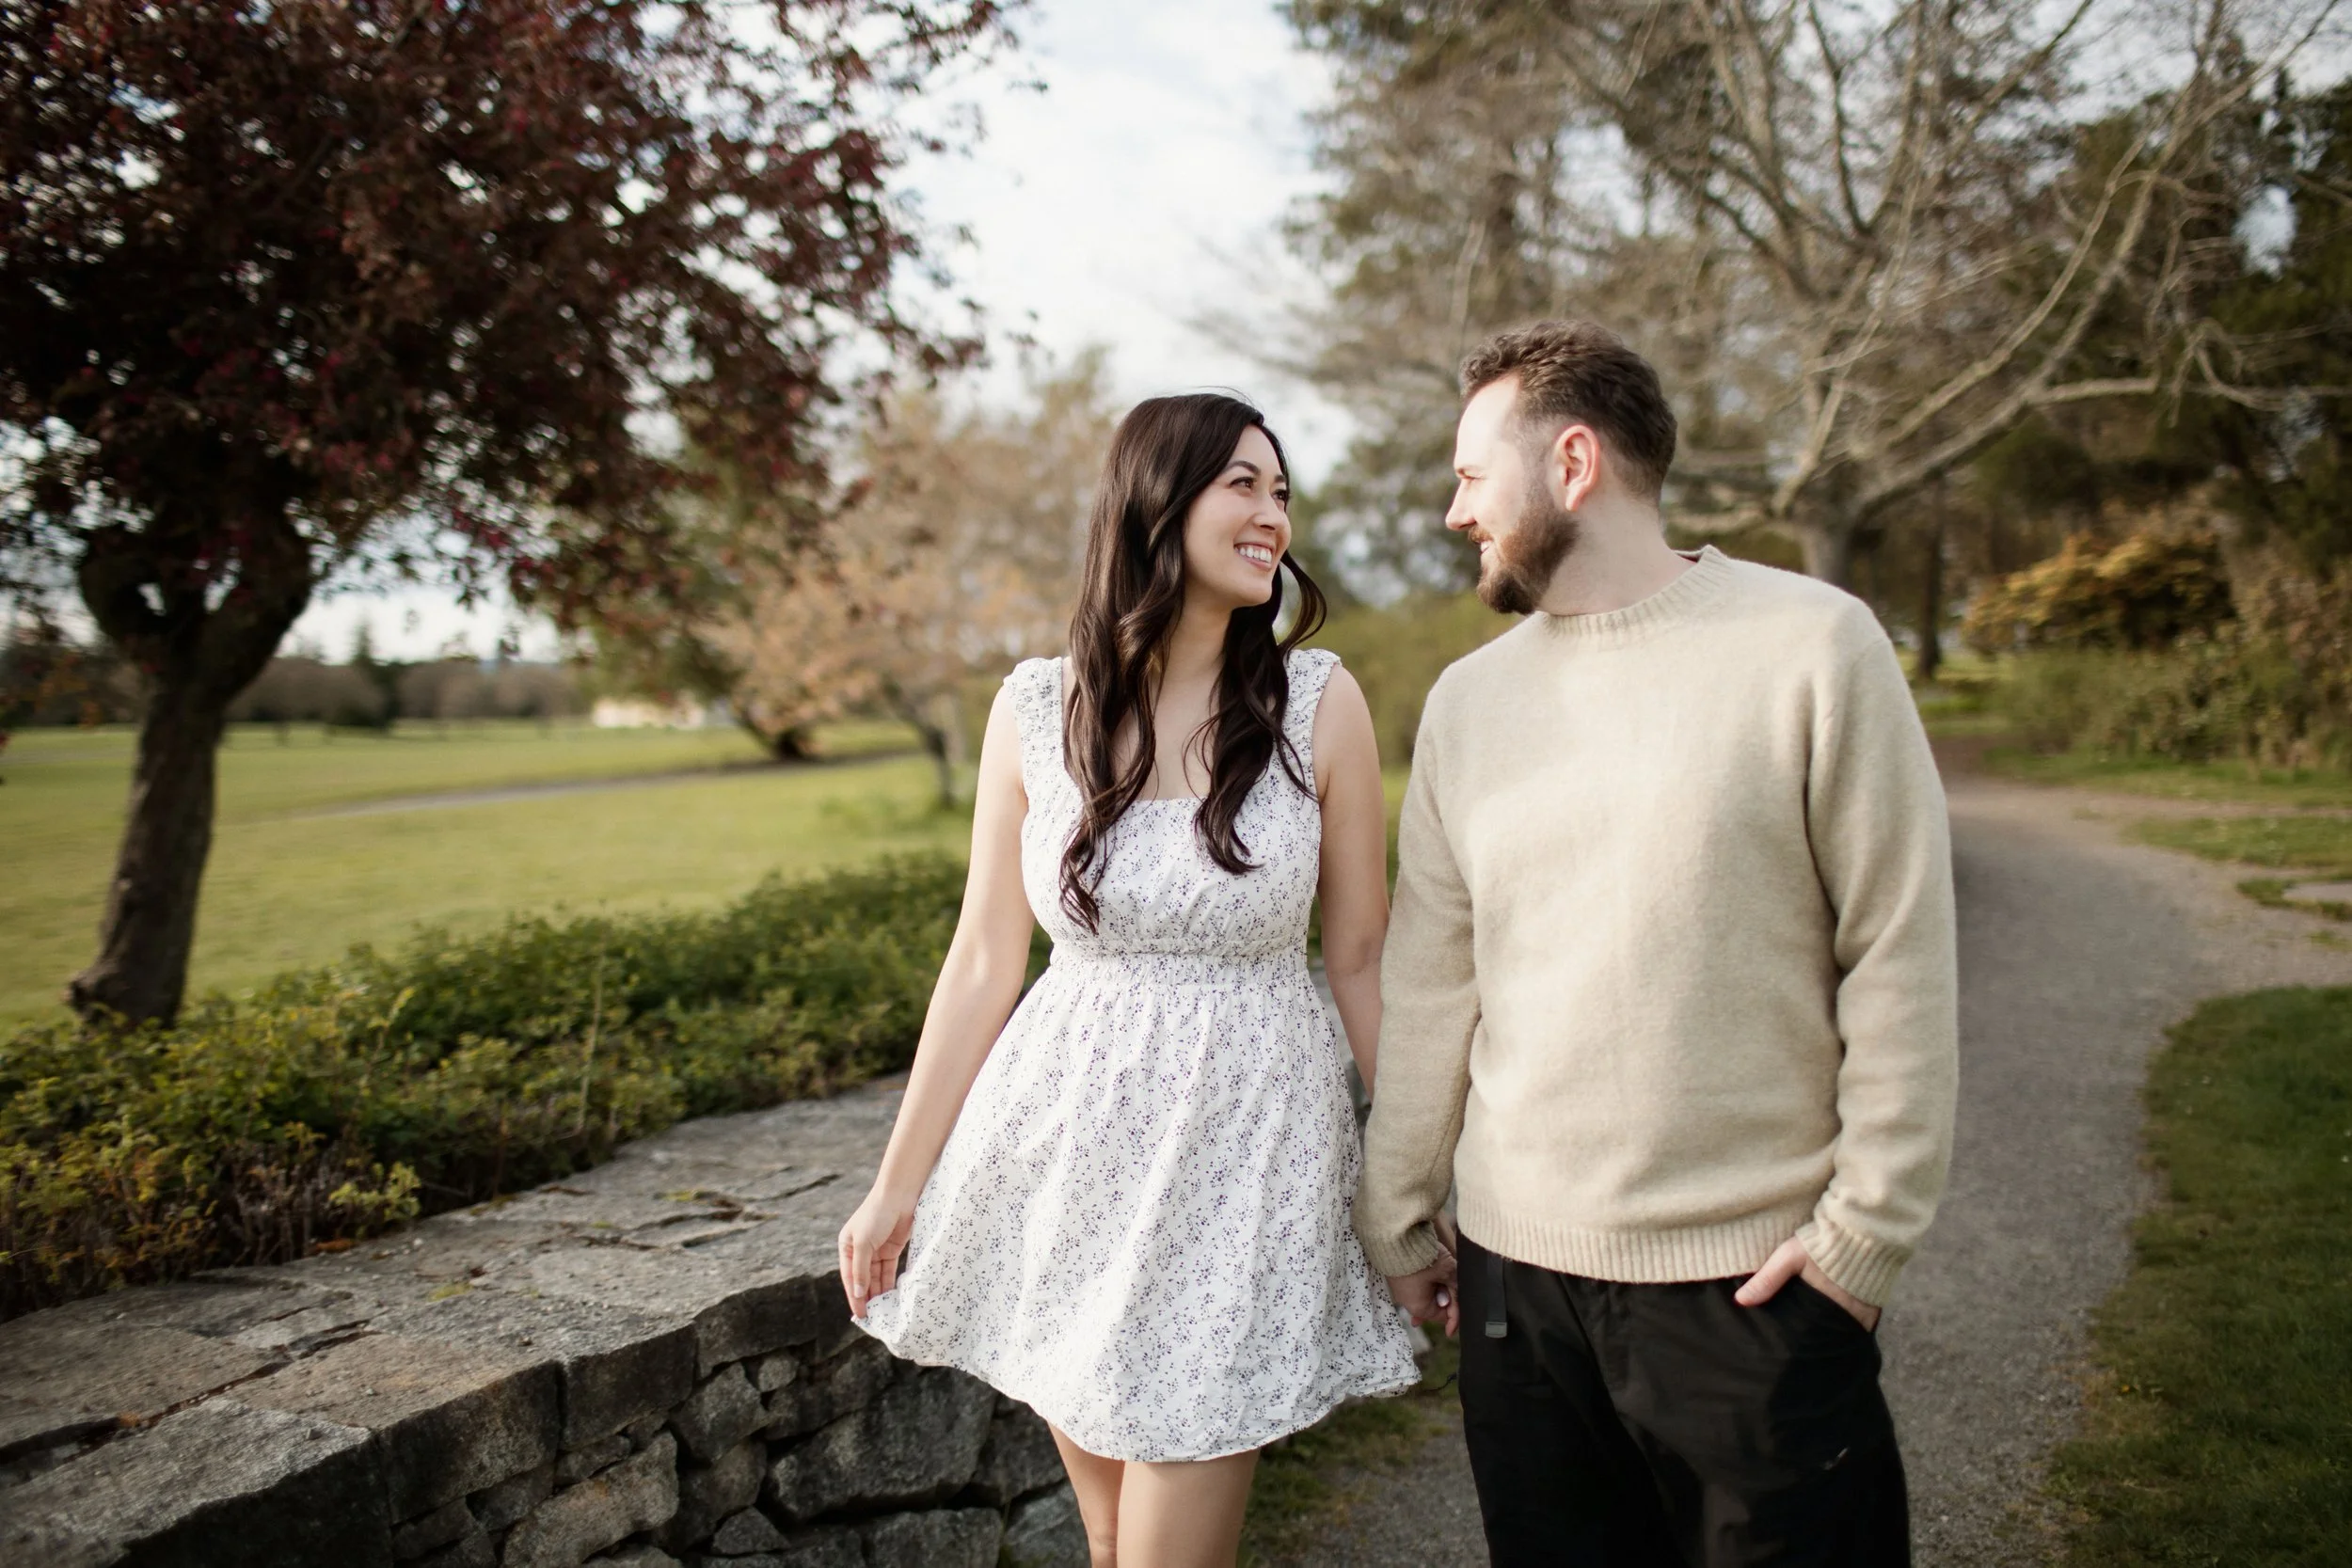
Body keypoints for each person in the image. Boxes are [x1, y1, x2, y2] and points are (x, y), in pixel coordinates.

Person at [1359, 320, 1959, 1567]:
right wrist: (1401, 1212)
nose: (1455, 506)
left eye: (1474, 472)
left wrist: (1863, 1238)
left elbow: (1898, 951)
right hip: (1521, 1297)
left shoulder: (1814, 645)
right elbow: (1431, 981)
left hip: (1754, 1290)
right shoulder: (1469, 706)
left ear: (1572, 462)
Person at [841, 392, 1420, 1568]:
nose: (1274, 515)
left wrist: (1412, 1180)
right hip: (1065, 1156)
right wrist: (894, 1185)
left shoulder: (1318, 703)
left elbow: (1359, 957)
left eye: (1282, 491)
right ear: (1157, 499)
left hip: (1246, 1151)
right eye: (1243, 485)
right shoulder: (1030, 708)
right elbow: (983, 961)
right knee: (1107, 1537)